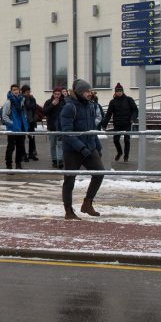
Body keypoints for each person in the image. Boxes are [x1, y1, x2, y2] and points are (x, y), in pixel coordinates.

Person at [60, 79, 105, 219]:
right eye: (87, 91)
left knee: (99, 173)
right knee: (70, 179)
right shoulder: (69, 107)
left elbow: (92, 128)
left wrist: (97, 145)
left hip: (89, 147)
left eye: (90, 91)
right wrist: (81, 147)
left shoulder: (90, 106)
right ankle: (68, 210)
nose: (90, 93)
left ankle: (87, 203)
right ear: (80, 92)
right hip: (72, 150)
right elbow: (67, 132)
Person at [102, 82, 139, 162]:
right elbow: (108, 114)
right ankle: (119, 152)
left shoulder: (129, 99)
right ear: (115, 92)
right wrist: (104, 124)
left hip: (127, 123)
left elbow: (135, 110)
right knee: (115, 139)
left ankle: (126, 156)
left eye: (120, 91)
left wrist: (133, 118)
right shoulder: (112, 102)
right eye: (117, 91)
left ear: (122, 91)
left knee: (127, 140)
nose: (119, 92)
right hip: (117, 124)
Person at [1, 84, 28, 170]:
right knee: (11, 147)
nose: (16, 91)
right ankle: (9, 164)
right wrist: (12, 124)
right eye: (14, 90)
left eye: (17, 89)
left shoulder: (21, 100)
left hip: (21, 128)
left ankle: (18, 163)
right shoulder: (9, 102)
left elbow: (23, 113)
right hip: (12, 129)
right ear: (11, 91)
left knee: (20, 147)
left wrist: (24, 122)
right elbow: (4, 116)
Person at [42, 86, 65, 169]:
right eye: (55, 94)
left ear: (61, 94)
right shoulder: (48, 102)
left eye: (58, 94)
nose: (57, 96)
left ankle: (60, 160)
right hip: (51, 126)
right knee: (52, 145)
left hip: (61, 127)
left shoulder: (64, 102)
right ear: (53, 94)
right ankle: (54, 160)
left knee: (60, 144)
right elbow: (44, 112)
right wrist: (52, 105)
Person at [21, 85, 39, 162]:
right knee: (22, 138)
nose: (28, 93)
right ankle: (23, 155)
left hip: (31, 121)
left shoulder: (32, 99)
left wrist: (35, 118)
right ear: (23, 92)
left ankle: (31, 154)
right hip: (24, 122)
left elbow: (35, 109)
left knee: (32, 138)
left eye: (29, 92)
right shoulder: (21, 99)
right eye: (27, 92)